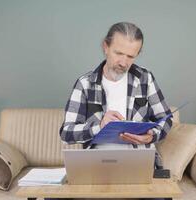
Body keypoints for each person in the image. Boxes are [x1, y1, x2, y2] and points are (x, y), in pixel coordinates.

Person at [58, 22, 173, 200]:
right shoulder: (85, 83)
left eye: (130, 56)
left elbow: (166, 118)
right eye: (118, 53)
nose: (123, 62)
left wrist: (152, 134)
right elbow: (66, 133)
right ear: (106, 46)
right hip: (95, 167)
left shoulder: (145, 79)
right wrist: (99, 126)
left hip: (138, 165)